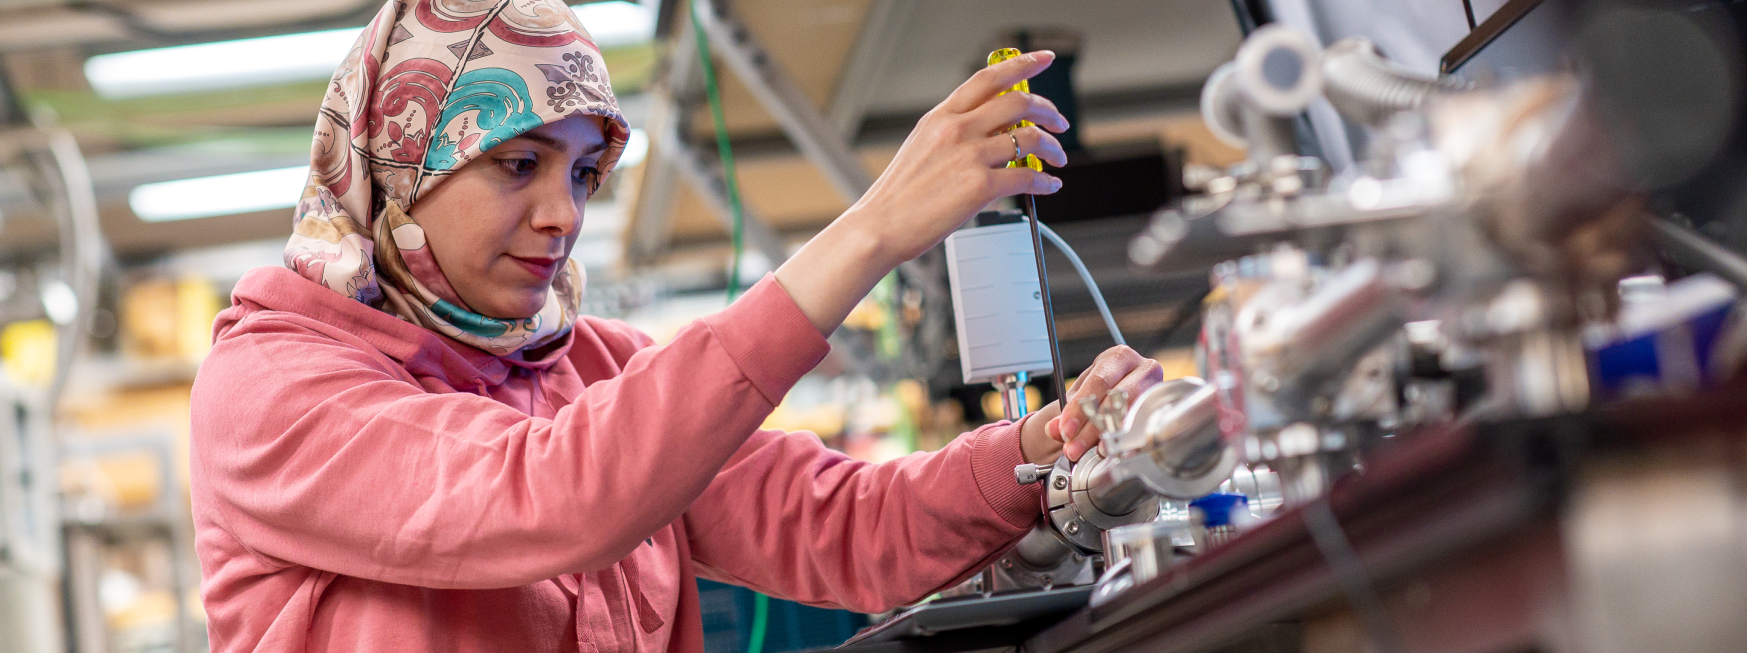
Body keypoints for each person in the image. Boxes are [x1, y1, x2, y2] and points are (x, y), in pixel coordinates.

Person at [189, 1, 1163, 651]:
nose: (563, 215)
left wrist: (1038, 453)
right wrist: (867, 233)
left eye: (581, 172)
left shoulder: (597, 369)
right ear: (397, 168)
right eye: (516, 165)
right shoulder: (273, 387)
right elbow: (547, 491)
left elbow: (842, 522)